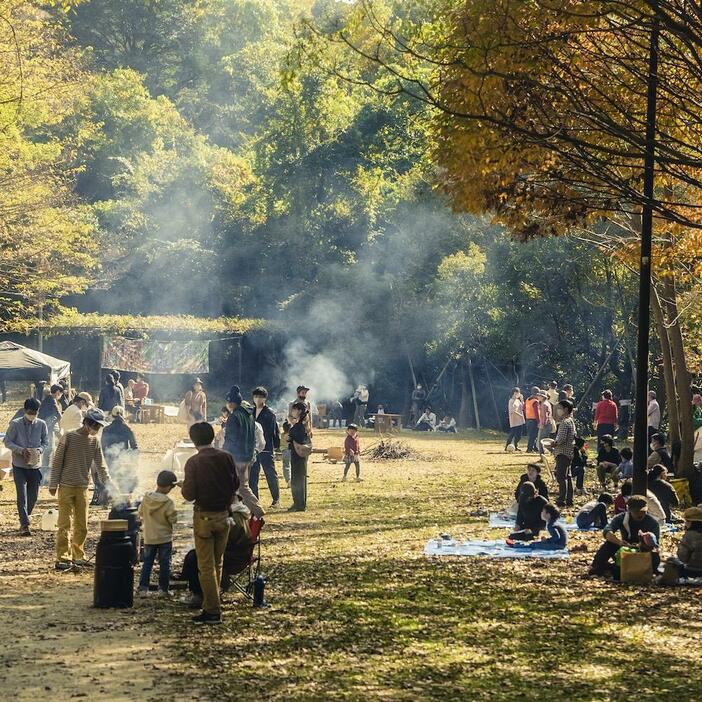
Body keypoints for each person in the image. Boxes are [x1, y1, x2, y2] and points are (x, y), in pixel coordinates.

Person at [181, 422, 238, 624]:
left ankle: (212, 610)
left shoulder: (194, 462)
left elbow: (188, 494)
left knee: (205, 566)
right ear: (212, 437)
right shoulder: (226, 457)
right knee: (217, 562)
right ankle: (215, 599)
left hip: (204, 516)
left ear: (194, 441)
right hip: (225, 515)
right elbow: (236, 484)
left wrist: (184, 485)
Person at [49, 409, 112, 571]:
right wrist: (53, 483)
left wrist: (111, 485)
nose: (97, 429)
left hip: (83, 487)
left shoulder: (94, 441)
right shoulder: (69, 436)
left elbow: (101, 465)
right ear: (87, 423)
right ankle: (62, 557)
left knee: (82, 524)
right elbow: (57, 461)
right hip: (66, 486)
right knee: (64, 524)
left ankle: (78, 555)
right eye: (96, 426)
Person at [181, 499, 252, 609]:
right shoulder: (239, 513)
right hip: (235, 552)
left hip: (233, 556)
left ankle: (199, 594)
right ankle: (198, 591)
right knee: (195, 554)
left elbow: (223, 540)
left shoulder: (235, 518)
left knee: (195, 557)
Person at [4, 398, 49, 536]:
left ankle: (25, 516)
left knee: (33, 496)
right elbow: (7, 441)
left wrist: (39, 450)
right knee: (21, 495)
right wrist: (20, 450)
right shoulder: (15, 424)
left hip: (35, 466)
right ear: (25, 411)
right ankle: (25, 524)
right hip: (19, 465)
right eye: (30, 412)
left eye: (35, 412)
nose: (32, 415)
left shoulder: (42, 424)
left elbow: (45, 442)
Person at [588, 495, 660, 579]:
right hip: (625, 547)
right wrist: (619, 542)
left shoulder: (652, 523)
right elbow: (607, 531)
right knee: (609, 544)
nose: (640, 514)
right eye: (636, 511)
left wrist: (643, 545)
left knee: (655, 555)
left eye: (643, 511)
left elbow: (655, 544)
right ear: (629, 510)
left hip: (644, 549)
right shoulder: (622, 518)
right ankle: (598, 568)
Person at [138, 470, 178, 597]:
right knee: (165, 564)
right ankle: (163, 590)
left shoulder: (146, 498)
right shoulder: (168, 502)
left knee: (147, 563)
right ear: (167, 487)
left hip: (149, 537)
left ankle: (143, 589)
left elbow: (140, 512)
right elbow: (173, 519)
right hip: (164, 538)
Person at [223, 386, 262, 517]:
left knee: (242, 488)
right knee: (241, 487)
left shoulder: (234, 417)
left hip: (237, 457)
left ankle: (258, 511)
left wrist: (225, 455)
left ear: (232, 402)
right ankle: (239, 513)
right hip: (248, 455)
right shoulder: (249, 415)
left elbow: (230, 439)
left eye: (228, 402)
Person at [249, 387, 281, 509]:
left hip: (266, 447)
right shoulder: (250, 412)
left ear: (265, 398)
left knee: (270, 473)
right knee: (253, 475)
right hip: (253, 448)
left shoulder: (269, 413)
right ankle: (255, 500)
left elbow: (273, 431)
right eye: (256, 396)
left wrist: (275, 446)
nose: (258, 399)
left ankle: (276, 499)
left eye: (260, 396)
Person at [100, 406, 139, 498]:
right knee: (123, 482)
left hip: (110, 459)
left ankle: (110, 498)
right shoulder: (127, 428)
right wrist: (133, 461)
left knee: (111, 480)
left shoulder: (106, 429)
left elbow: (103, 446)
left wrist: (106, 458)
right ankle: (123, 499)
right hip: (123, 459)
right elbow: (134, 447)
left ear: (112, 416)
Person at [659, 507, 702, 583]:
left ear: (690, 522)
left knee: (671, 560)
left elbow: (682, 557)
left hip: (693, 571)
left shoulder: (689, 536)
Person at [288, 400, 311, 512]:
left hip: (297, 455)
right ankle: (300, 503)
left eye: (295, 409)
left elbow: (294, 438)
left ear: (300, 411)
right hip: (301, 455)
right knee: (301, 478)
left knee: (297, 479)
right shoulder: (304, 425)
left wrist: (289, 437)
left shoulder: (298, 426)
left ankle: (299, 503)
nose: (293, 411)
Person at [552, 399, 575, 507]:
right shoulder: (571, 421)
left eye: (560, 408)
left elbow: (561, 439)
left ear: (566, 409)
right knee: (568, 477)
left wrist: (553, 444)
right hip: (568, 452)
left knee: (561, 477)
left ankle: (561, 499)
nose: (558, 410)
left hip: (562, 453)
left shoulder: (564, 422)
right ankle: (569, 499)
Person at [38, 383, 63, 474]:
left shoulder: (46, 399)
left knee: (47, 450)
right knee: (49, 450)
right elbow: (59, 415)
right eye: (61, 393)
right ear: (57, 392)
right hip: (47, 428)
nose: (61, 396)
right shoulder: (52, 400)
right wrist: (60, 428)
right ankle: (44, 473)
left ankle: (43, 470)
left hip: (45, 427)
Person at [524, 387, 541, 453]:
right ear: (537, 394)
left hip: (528, 419)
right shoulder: (535, 401)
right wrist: (539, 421)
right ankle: (529, 449)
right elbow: (536, 412)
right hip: (534, 420)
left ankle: (534, 448)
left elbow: (524, 408)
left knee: (531, 436)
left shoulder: (528, 400)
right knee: (533, 436)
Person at [281, 420, 292, 489]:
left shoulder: (282, 435)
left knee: (286, 466)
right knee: (293, 466)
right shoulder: (291, 435)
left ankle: (288, 480)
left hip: (284, 451)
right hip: (291, 451)